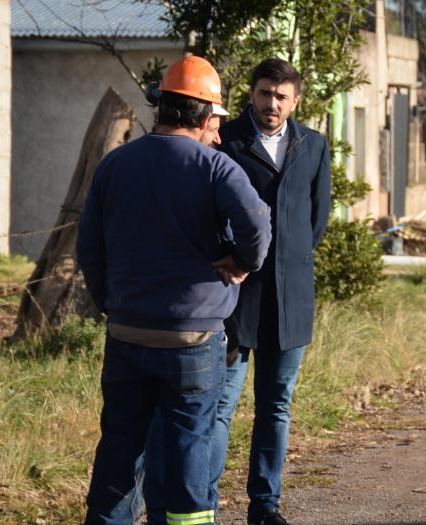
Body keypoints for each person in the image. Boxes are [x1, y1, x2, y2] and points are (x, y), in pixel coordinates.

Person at [77, 55, 272, 525]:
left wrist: (113, 305)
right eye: (217, 123)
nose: (220, 134)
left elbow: (89, 250)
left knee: (119, 451)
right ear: (205, 117)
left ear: (162, 108)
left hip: (126, 334)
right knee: (189, 451)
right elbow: (258, 231)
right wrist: (241, 263)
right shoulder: (217, 169)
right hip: (194, 342)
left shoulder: (114, 165)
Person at [138, 57, 332, 525]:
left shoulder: (314, 145)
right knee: (221, 404)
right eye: (265, 93)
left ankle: (265, 504)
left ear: (296, 101)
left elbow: (317, 220)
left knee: (276, 405)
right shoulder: (225, 141)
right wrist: (235, 257)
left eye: (282, 96)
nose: (272, 103)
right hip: (233, 296)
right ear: (252, 94)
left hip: (291, 299)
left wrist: (287, 258)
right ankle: (205, 500)